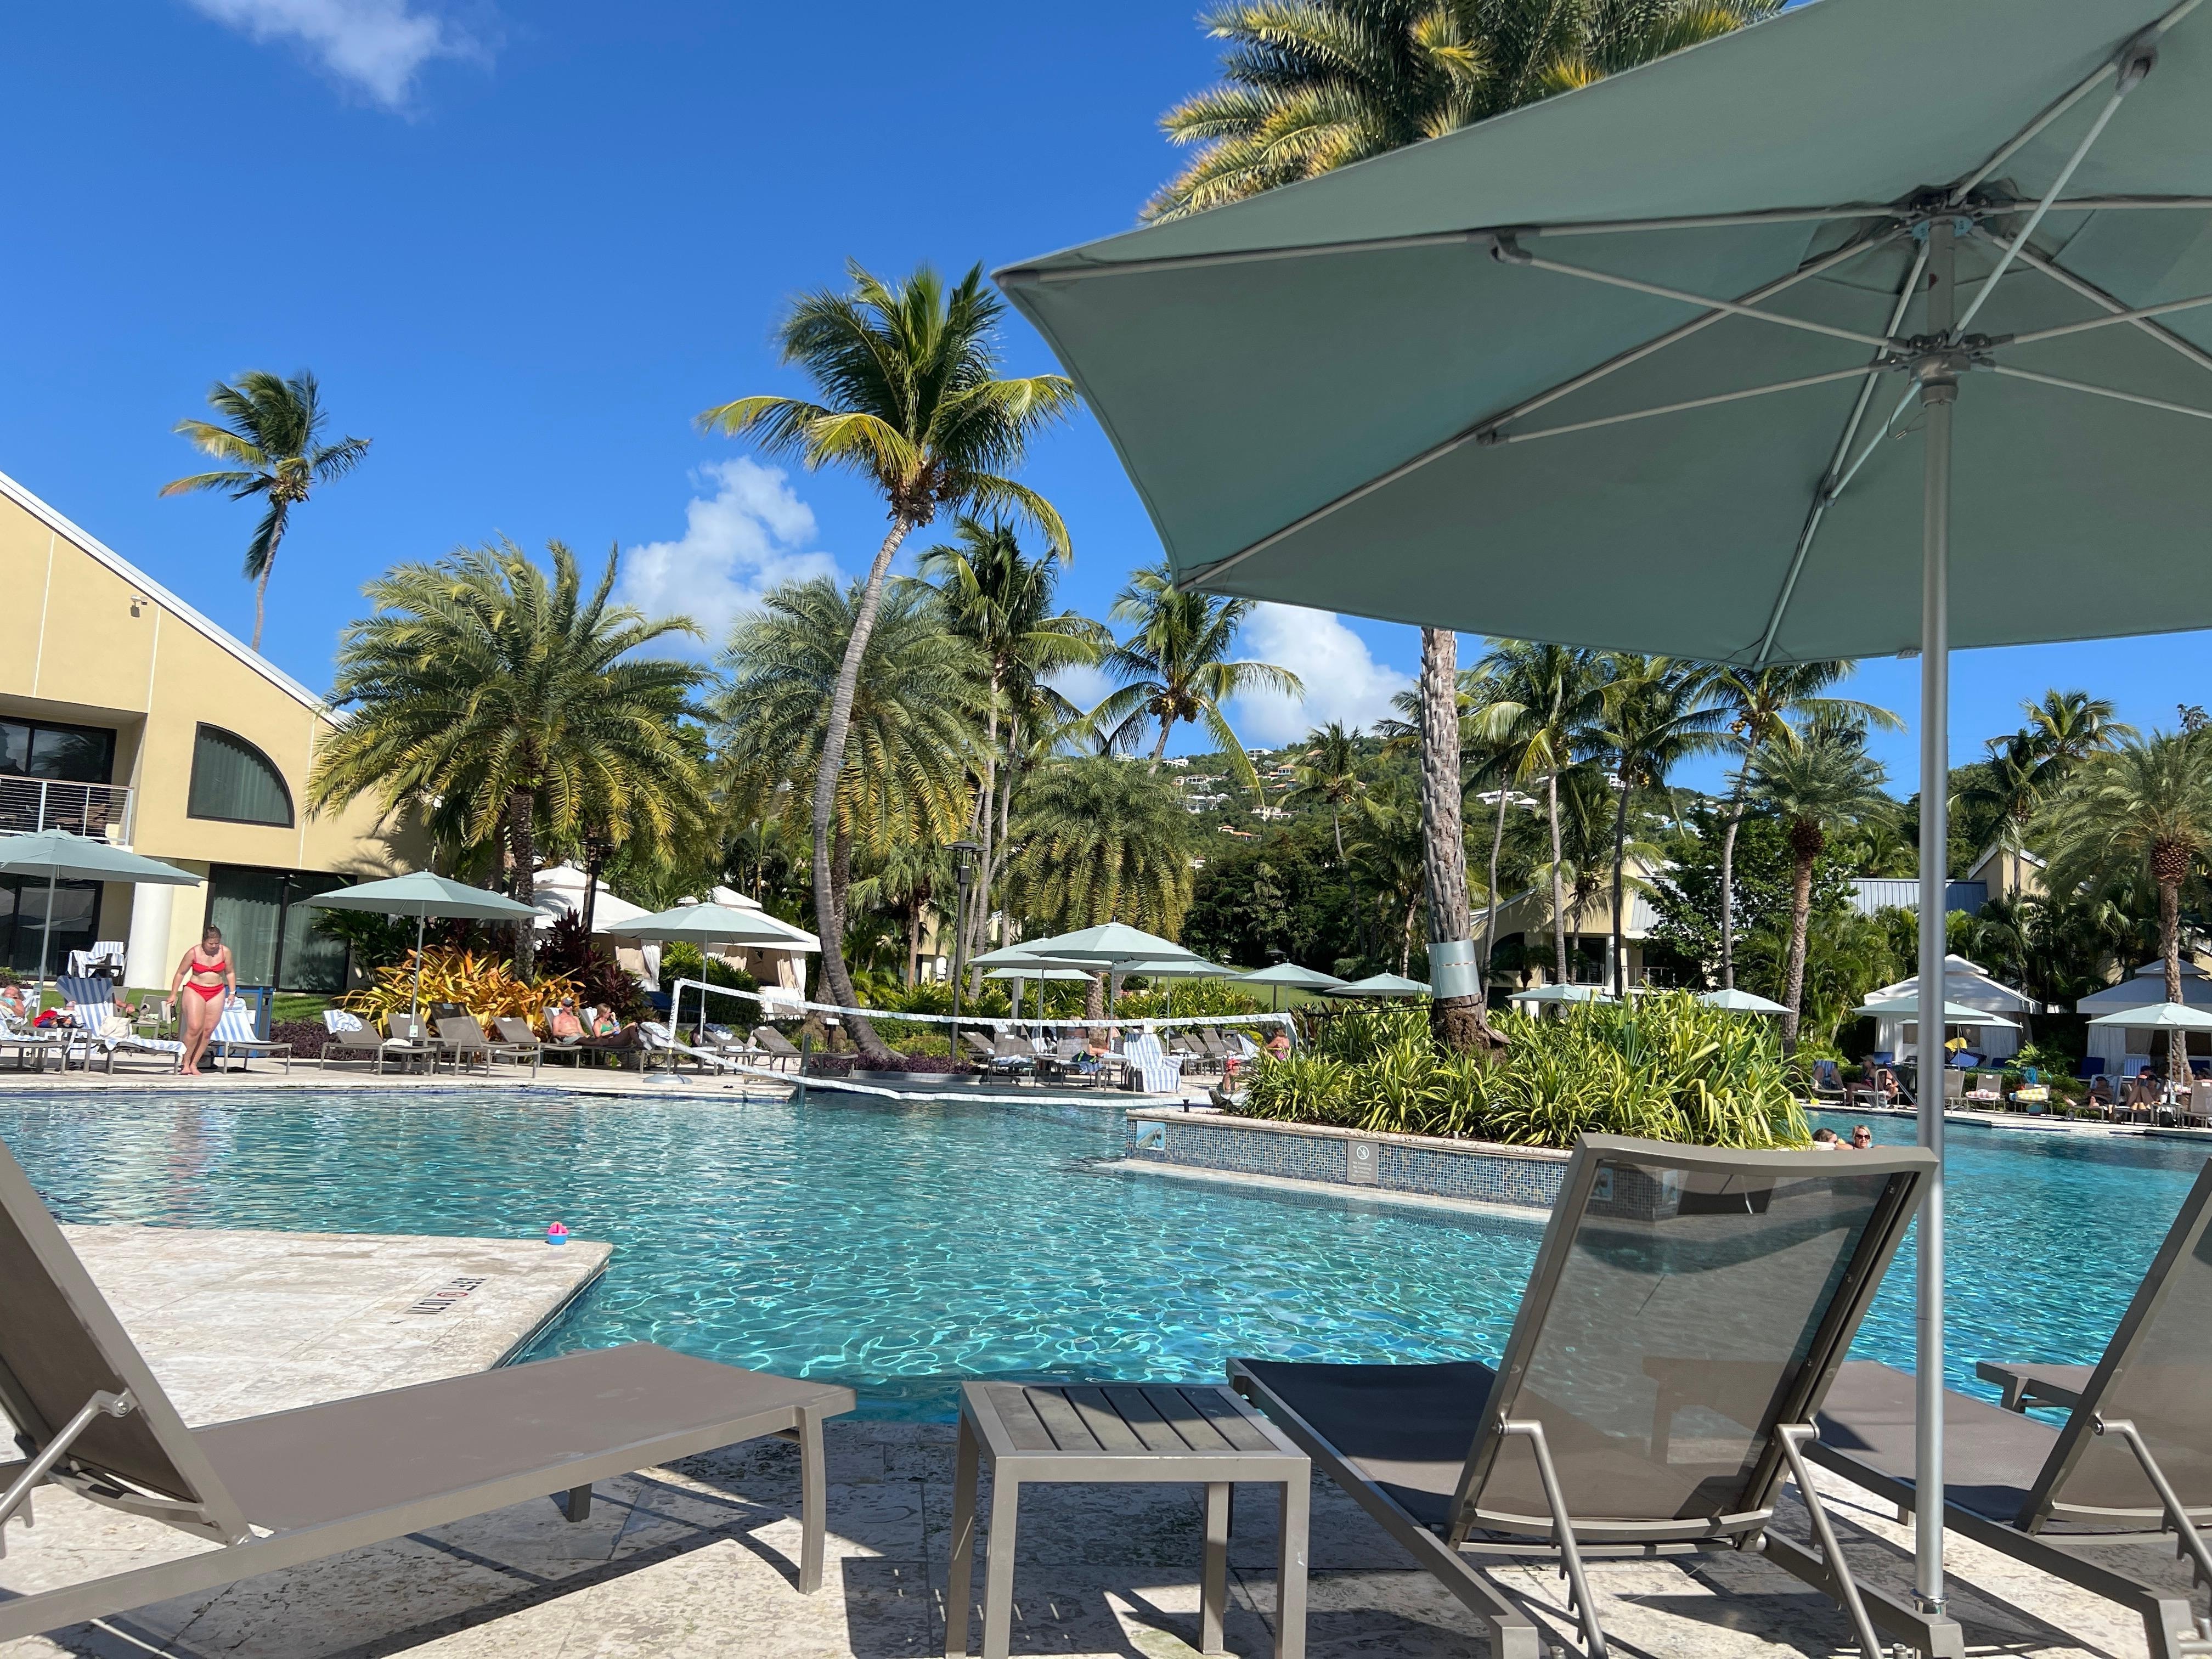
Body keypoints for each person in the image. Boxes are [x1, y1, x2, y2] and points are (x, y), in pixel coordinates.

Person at [170, 924, 234, 1077]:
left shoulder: (225, 952)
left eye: (216, 943)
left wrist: (232, 992)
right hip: (195, 990)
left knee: (207, 1030)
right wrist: (173, 994)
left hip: (217, 991)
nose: (214, 946)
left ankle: (194, 1064)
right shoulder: (193, 953)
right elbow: (180, 973)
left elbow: (230, 973)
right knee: (194, 1027)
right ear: (204, 941)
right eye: (210, 943)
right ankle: (185, 1062)